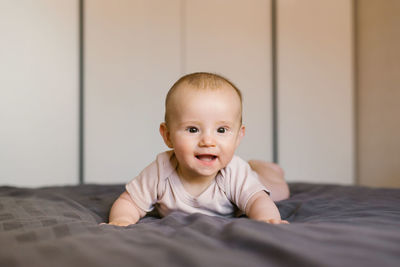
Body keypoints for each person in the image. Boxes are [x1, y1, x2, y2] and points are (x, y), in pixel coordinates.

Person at [107, 72, 290, 226]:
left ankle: (268, 171)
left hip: (256, 180)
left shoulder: (234, 171)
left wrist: (268, 220)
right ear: (168, 135)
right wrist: (121, 220)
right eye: (193, 129)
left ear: (238, 137)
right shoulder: (161, 170)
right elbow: (129, 201)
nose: (208, 141)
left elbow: (258, 201)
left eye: (221, 130)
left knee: (278, 192)